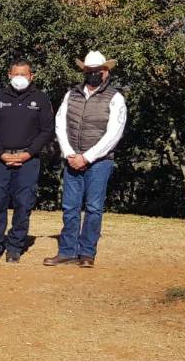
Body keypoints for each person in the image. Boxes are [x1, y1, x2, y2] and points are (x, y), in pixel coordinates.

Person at [46, 51, 127, 268]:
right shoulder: (70, 95)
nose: (92, 74)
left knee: (93, 207)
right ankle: (67, 251)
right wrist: (70, 153)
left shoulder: (115, 98)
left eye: (96, 71)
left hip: (100, 162)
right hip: (72, 158)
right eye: (89, 71)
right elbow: (60, 124)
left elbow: (114, 133)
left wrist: (88, 157)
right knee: (70, 207)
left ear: (105, 71)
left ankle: (87, 253)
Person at [0, 61, 54, 263]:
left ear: (31, 76)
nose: (19, 77)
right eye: (15, 74)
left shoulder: (41, 99)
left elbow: (47, 130)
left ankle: (14, 248)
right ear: (9, 75)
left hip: (28, 160)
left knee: (23, 204)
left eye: (24, 74)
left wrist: (28, 153)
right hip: (0, 159)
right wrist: (1, 153)